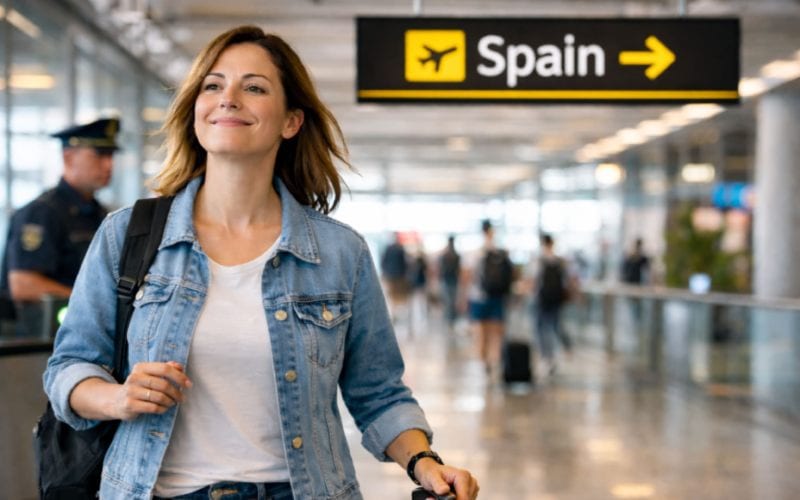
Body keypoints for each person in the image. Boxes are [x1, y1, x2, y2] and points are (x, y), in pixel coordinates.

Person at [43, 26, 478, 500]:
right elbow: (69, 366)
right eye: (213, 85)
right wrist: (116, 397)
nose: (228, 98)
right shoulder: (128, 235)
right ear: (196, 112)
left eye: (253, 87)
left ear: (291, 121)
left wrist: (424, 463)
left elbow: (379, 393)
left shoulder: (339, 254)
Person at [0, 117, 118, 335]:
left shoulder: (102, 215)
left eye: (111, 155)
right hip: (41, 341)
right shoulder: (42, 213)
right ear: (69, 157)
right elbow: (23, 284)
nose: (109, 165)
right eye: (99, 155)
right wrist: (92, 304)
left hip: (89, 334)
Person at [466, 219, 513, 378]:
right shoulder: (500, 251)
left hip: (478, 298)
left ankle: (485, 362)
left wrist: (462, 298)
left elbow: (468, 276)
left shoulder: (475, 252)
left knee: (481, 333)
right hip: (497, 297)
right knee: (496, 332)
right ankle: (495, 361)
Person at [532, 234, 574, 376]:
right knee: (555, 326)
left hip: (542, 300)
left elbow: (533, 280)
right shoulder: (560, 261)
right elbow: (567, 281)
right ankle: (566, 347)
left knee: (541, 328)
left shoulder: (539, 260)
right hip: (556, 300)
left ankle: (547, 357)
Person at [380, 232, 410, 324]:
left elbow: (383, 262)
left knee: (392, 296)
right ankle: (397, 313)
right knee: (400, 296)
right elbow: (405, 264)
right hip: (399, 276)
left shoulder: (388, 248)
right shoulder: (400, 248)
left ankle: (393, 314)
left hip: (390, 276)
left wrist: (385, 273)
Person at [438, 235, 461, 333]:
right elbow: (458, 270)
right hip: (453, 281)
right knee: (451, 301)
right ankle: (451, 321)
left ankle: (448, 320)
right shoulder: (456, 254)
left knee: (448, 301)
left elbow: (441, 269)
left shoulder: (445, 254)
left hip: (446, 280)